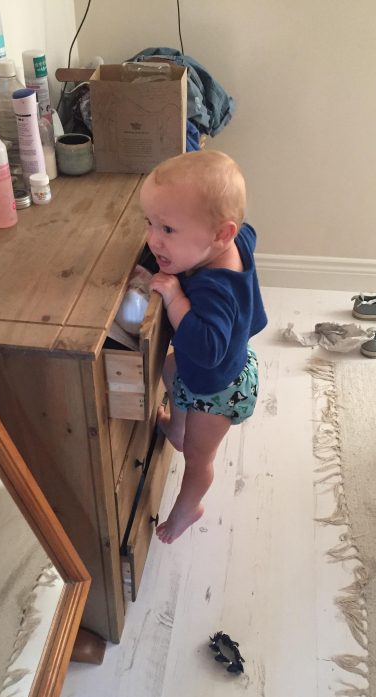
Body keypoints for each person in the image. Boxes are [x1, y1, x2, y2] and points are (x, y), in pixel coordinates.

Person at [140, 150, 268, 545]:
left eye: (168, 230)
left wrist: (176, 298)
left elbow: (208, 346)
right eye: (150, 223)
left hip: (220, 391)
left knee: (199, 458)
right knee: (174, 371)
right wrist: (173, 248)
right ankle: (177, 430)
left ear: (219, 234)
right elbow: (250, 231)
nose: (152, 238)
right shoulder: (235, 241)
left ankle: (188, 508)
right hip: (215, 368)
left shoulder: (214, 288)